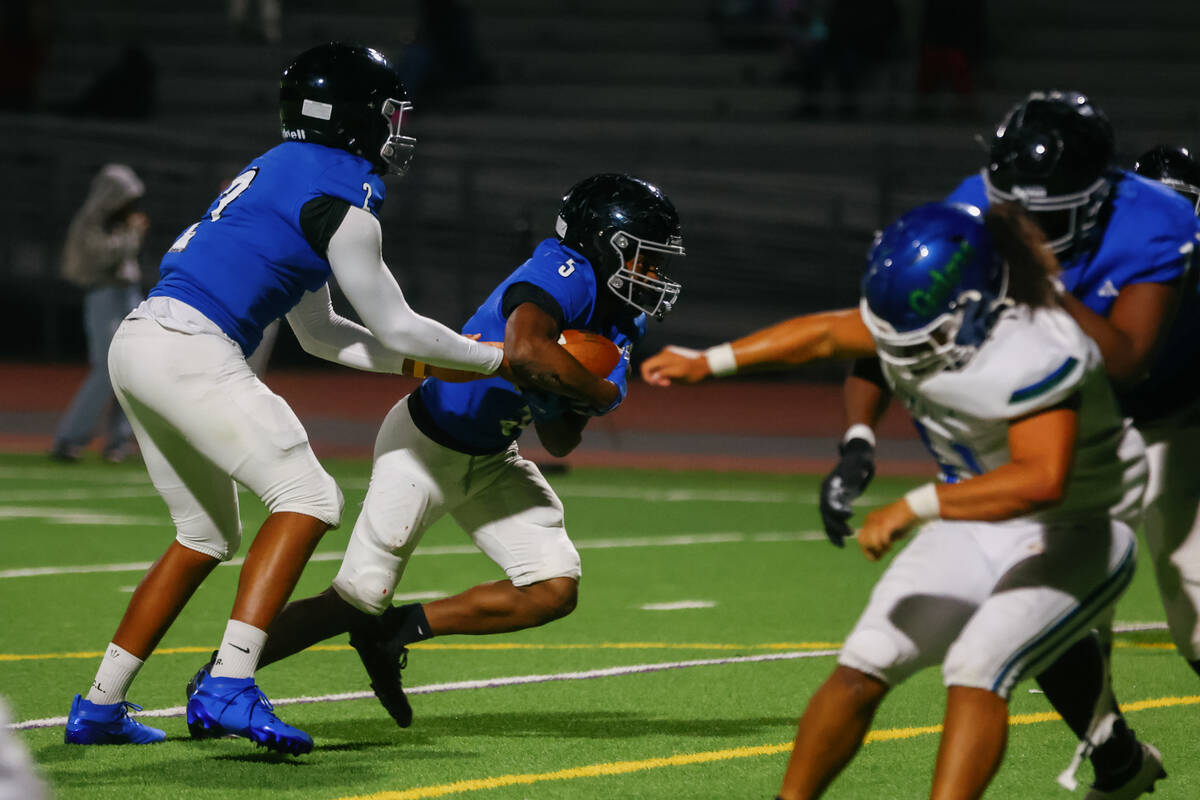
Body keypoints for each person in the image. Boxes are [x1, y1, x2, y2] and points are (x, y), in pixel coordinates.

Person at [646, 90, 1189, 799]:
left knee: (978, 666)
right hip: (979, 513)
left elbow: (1042, 479)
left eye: (921, 333)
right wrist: (709, 361)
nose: (902, 348)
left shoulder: (1041, 347)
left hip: (1076, 525)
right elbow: (828, 332)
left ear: (973, 303)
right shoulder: (937, 304)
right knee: (864, 660)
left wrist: (916, 506)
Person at [63, 42, 507, 755]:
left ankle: (99, 704)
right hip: (190, 346)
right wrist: (495, 359)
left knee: (204, 537)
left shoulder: (282, 169)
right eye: (388, 114)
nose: (396, 129)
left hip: (143, 340)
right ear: (355, 116)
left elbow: (323, 334)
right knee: (311, 498)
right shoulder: (342, 197)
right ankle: (230, 683)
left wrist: (432, 367)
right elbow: (396, 324)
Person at [185, 173, 685, 731]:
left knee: (553, 589)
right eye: (646, 259)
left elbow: (561, 439)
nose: (654, 274)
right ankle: (219, 675)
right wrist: (596, 391)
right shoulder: (564, 268)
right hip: (423, 445)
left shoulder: (625, 317)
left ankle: (392, 632)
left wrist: (555, 395)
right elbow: (525, 348)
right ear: (606, 243)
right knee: (357, 595)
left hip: (494, 457)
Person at [50, 163, 148, 463]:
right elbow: (103, 257)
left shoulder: (119, 223)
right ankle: (69, 439)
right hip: (103, 294)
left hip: (128, 293)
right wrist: (132, 234)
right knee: (106, 369)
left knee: (132, 370)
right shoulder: (89, 221)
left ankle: (118, 441)